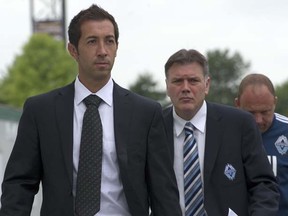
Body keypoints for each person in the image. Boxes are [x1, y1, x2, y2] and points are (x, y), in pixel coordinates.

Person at [0, 4, 182, 216]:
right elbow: (19, 183)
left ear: (116, 47)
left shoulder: (146, 113)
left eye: (109, 41)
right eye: (92, 41)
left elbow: (163, 193)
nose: (103, 51)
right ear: (73, 50)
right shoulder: (41, 111)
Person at [163, 49, 279, 216]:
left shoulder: (239, 124)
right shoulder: (154, 126)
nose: (185, 88)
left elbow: (263, 185)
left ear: (207, 85)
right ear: (167, 86)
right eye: (178, 81)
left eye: (193, 80)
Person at [235, 73, 288, 216]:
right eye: (251, 112)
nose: (258, 120)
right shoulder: (225, 132)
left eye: (265, 112)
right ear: (238, 104)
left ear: (274, 102)